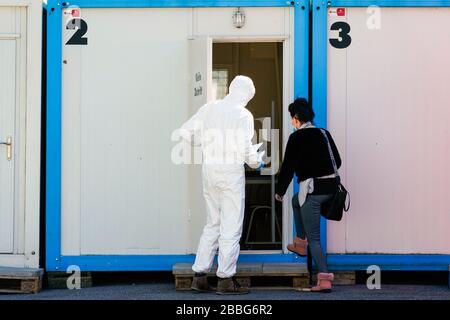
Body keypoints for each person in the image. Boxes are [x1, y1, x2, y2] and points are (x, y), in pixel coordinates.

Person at [177, 75, 264, 295]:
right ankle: (225, 279)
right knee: (231, 225)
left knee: (212, 223)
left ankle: (199, 276)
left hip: (209, 171)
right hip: (230, 172)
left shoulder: (209, 108)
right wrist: (256, 161)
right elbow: (246, 147)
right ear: (244, 93)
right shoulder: (243, 114)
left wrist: (205, 142)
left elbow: (186, 132)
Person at [275, 98, 341, 293]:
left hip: (313, 192)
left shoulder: (296, 138)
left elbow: (287, 168)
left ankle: (325, 279)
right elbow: (338, 161)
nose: (291, 122)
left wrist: (279, 192)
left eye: (291, 118)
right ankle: (300, 242)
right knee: (297, 201)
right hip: (331, 190)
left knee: (315, 239)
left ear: (296, 118)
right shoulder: (324, 133)